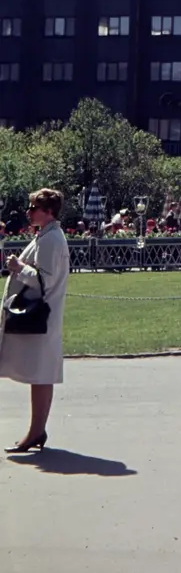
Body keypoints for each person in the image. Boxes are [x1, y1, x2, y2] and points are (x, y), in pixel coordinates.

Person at [0, 188, 70, 453]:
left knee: (41, 374)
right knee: (40, 374)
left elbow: (45, 280)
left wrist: (19, 267)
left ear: (48, 211)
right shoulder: (47, 235)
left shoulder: (52, 239)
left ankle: (36, 431)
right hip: (43, 316)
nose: (29, 212)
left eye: (33, 208)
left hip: (42, 316)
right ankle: (36, 430)